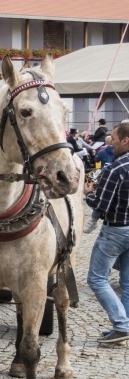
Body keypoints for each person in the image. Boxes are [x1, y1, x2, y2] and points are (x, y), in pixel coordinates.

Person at [84, 122, 129, 344]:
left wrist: (86, 194)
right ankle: (125, 325)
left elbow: (102, 206)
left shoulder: (116, 169)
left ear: (125, 140)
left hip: (116, 231)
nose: (111, 141)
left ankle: (121, 325)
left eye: (113, 137)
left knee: (96, 279)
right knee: (128, 283)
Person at [85, 136, 116, 234]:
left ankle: (93, 220)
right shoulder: (120, 153)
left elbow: (97, 162)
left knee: (100, 197)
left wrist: (97, 171)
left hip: (104, 176)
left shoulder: (102, 152)